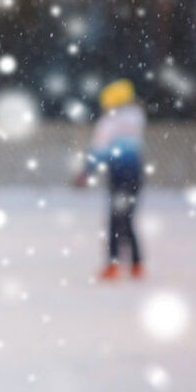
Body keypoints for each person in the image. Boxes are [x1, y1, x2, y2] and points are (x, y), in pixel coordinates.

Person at [74, 79, 146, 280]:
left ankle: (113, 264)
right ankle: (136, 264)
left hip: (118, 175)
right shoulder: (137, 117)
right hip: (135, 174)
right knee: (128, 220)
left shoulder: (109, 122)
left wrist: (86, 172)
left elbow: (99, 150)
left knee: (115, 222)